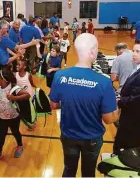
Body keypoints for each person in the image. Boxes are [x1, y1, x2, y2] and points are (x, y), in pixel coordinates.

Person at [49, 33, 119, 177]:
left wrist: (72, 101)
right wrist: (116, 107)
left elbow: (54, 105)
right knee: (88, 172)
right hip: (92, 138)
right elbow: (109, 119)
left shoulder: (59, 76)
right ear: (93, 52)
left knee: (68, 169)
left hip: (68, 135)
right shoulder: (104, 82)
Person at [114, 39, 140, 154]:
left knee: (127, 148)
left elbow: (137, 100)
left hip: (135, 120)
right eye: (133, 50)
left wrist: (119, 101)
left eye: (138, 51)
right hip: (131, 117)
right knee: (122, 145)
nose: (134, 54)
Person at [15, 59, 36, 130]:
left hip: (29, 96)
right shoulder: (15, 75)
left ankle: (32, 122)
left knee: (30, 110)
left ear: (24, 67)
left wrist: (35, 88)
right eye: (17, 64)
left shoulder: (28, 75)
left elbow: (31, 83)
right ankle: (28, 120)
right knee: (23, 110)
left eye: (19, 65)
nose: (17, 66)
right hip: (20, 97)